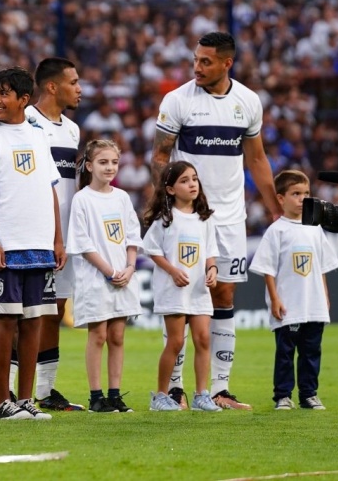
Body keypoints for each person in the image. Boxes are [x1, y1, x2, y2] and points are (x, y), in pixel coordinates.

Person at [151, 31, 281, 410]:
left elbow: (256, 159)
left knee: (224, 295)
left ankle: (219, 390)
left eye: (206, 61)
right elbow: (161, 157)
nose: (197, 67)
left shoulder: (248, 102)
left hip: (229, 218)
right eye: (195, 59)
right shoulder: (177, 101)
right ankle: (174, 389)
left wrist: (274, 208)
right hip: (186, 217)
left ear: (228, 63)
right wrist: (166, 205)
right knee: (180, 300)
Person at [0, 67, 62, 420]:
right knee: (6, 321)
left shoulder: (38, 135)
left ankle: (25, 400)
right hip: (6, 243)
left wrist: (58, 239)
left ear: (24, 99)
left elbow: (51, 189)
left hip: (39, 244)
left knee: (34, 321)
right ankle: (0, 401)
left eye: (4, 94)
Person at [249, 170, 338, 411]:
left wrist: (325, 296)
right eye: (296, 194)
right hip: (289, 305)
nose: (302, 198)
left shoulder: (315, 228)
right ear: (281, 198)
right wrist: (275, 298)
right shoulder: (276, 231)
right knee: (286, 353)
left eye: (306, 194)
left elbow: (321, 267)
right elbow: (267, 269)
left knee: (312, 352)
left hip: (314, 304)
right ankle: (283, 395)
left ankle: (309, 394)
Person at [22, 57, 84, 411]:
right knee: (26, 312)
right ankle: (18, 392)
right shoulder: (27, 122)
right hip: (34, 232)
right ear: (51, 86)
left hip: (65, 236)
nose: (79, 89)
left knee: (56, 310)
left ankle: (45, 391)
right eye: (73, 82)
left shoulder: (72, 130)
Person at [67, 140, 142, 413]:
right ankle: (96, 396)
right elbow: (83, 243)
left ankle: (115, 395)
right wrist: (109, 271)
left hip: (122, 276)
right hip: (96, 278)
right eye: (103, 162)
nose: (110, 167)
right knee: (98, 335)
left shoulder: (122, 198)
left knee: (118, 336)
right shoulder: (82, 199)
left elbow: (132, 237)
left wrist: (130, 267)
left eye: (113, 162)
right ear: (89, 165)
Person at [142, 161, 220, 413]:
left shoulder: (205, 219)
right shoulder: (164, 220)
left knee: (203, 339)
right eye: (185, 180)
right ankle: (160, 396)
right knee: (175, 342)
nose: (192, 184)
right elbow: (153, 251)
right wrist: (173, 271)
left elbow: (210, 252)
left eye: (194, 179)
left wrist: (212, 270)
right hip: (173, 289)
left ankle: (201, 395)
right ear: (171, 189)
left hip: (198, 289)